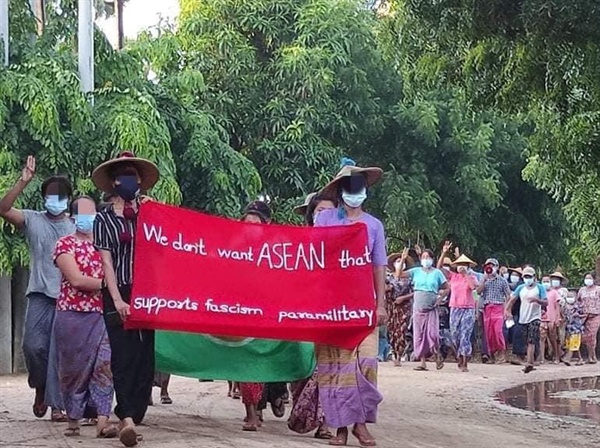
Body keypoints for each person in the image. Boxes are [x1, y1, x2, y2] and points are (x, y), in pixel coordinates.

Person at [314, 158, 387, 447]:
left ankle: (361, 423)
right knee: (335, 367)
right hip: (331, 307)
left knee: (366, 363)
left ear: (365, 190)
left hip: (363, 306)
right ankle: (342, 428)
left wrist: (380, 304)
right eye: (349, 185)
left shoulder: (374, 226)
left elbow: (378, 266)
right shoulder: (325, 221)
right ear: (341, 189)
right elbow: (313, 257)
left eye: (358, 185)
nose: (354, 190)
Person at [92, 151, 160, 447]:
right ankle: (127, 419)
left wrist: (156, 213)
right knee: (124, 355)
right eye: (123, 175)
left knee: (146, 359)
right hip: (117, 291)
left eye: (133, 175)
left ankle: (130, 413)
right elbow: (106, 262)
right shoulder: (103, 219)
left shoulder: (150, 214)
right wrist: (118, 300)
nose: (129, 180)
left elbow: (168, 248)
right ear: (114, 181)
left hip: (147, 293)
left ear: (141, 182)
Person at [0, 155, 73, 422]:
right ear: (43, 198)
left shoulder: (75, 225)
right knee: (33, 347)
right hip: (40, 294)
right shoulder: (33, 220)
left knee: (58, 351)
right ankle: (40, 386)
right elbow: (4, 209)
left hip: (67, 296)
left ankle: (57, 406)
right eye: (50, 195)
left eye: (60, 195)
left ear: (67, 199)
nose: (55, 199)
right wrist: (23, 181)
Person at [53, 196, 117, 438]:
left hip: (101, 315)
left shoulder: (105, 246)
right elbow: (77, 280)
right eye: (82, 212)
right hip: (72, 316)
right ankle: (72, 419)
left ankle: (103, 421)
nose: (87, 217)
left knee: (104, 366)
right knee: (73, 369)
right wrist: (109, 284)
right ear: (72, 217)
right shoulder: (64, 245)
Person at [398, 247, 449, 371]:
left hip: (431, 308)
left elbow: (447, 288)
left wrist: (439, 299)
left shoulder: (437, 273)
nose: (426, 259)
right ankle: (422, 362)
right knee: (419, 334)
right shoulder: (416, 271)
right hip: (418, 307)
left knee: (432, 334)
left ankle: (437, 355)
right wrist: (403, 260)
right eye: (424, 257)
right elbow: (399, 274)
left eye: (428, 257)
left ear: (432, 259)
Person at [438, 243, 478, 372]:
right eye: (460, 265)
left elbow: (473, 287)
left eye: (464, 265)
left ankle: (465, 361)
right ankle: (458, 356)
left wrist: (466, 275)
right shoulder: (453, 276)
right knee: (454, 335)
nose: (462, 267)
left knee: (465, 335)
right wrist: (444, 252)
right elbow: (438, 268)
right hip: (455, 308)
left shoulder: (472, 277)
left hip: (468, 308)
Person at [505, 267, 547, 373]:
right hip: (523, 317)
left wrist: (537, 300)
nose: (527, 279)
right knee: (526, 340)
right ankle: (531, 361)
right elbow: (512, 300)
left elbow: (546, 302)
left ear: (534, 277)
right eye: (525, 277)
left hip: (535, 317)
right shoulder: (521, 288)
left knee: (531, 340)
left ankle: (529, 362)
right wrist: (507, 311)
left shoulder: (540, 288)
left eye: (529, 276)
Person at [477, 258, 511, 363]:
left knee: (498, 331)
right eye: (488, 266)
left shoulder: (502, 280)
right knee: (489, 332)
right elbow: (478, 292)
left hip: (498, 306)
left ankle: (501, 352)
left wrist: (507, 309)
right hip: (487, 307)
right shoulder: (483, 279)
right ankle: (492, 354)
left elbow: (508, 295)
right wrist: (484, 280)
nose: (490, 268)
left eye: (492, 266)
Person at [386, 253, 414, 366]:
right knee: (392, 331)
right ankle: (393, 352)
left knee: (401, 330)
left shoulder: (410, 278)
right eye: (397, 261)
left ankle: (400, 353)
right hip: (391, 307)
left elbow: (415, 291)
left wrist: (403, 298)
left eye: (401, 261)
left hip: (404, 307)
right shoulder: (388, 277)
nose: (400, 263)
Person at [539, 273, 563, 364]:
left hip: (552, 319)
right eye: (544, 281)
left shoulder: (554, 292)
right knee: (542, 339)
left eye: (547, 281)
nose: (546, 283)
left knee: (553, 339)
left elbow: (557, 306)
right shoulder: (539, 293)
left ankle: (557, 356)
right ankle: (541, 358)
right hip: (542, 319)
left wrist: (557, 318)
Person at [578, 273, 600, 364]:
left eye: (589, 278)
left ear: (594, 279)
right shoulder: (582, 290)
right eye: (586, 278)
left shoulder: (598, 289)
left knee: (592, 335)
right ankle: (590, 356)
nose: (587, 280)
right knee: (586, 336)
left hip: (595, 315)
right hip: (584, 316)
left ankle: (593, 355)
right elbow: (578, 301)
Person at [561, 293, 585, 366]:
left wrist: (578, 316)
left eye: (571, 296)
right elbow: (563, 315)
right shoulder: (565, 307)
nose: (570, 298)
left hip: (576, 328)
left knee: (573, 343)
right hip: (568, 328)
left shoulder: (578, 306)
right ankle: (580, 359)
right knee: (573, 344)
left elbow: (584, 314)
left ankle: (568, 359)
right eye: (568, 296)